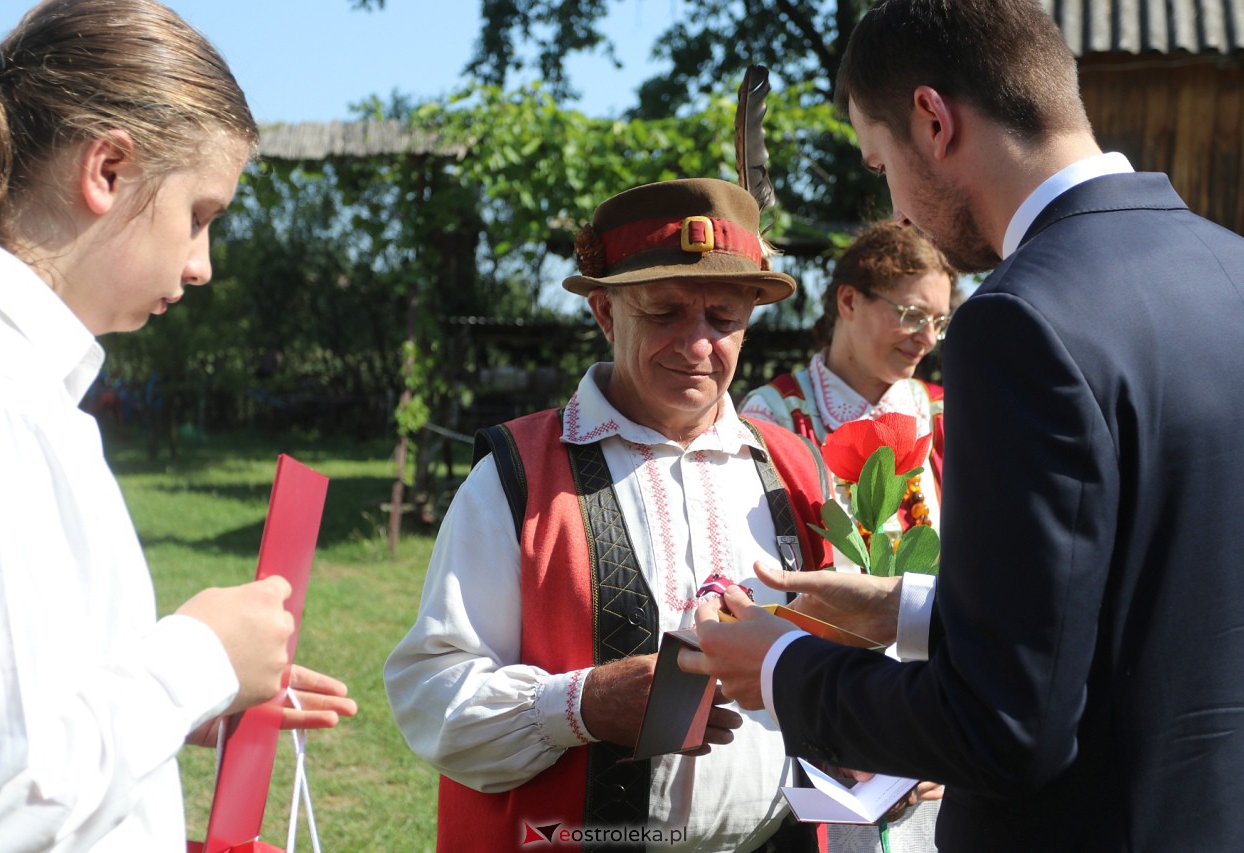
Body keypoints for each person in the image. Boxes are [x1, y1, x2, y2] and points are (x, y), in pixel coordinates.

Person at [679, 0, 1244, 850]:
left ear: (933, 120)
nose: (898, 211)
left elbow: (1005, 724)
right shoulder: (1231, 268)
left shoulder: (1024, 320)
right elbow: (1154, 602)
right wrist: (905, 610)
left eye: (881, 165)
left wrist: (777, 664)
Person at [0, 2, 357, 849]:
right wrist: (197, 661)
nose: (202, 264)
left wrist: (186, 704)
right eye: (199, 214)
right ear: (107, 168)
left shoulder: (19, 385)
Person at [385, 177, 836, 852]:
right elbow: (431, 696)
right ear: (604, 311)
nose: (696, 344)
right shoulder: (514, 476)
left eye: (723, 317)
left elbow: (851, 650)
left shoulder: (799, 471)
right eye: (664, 312)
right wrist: (581, 704)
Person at [739, 222, 957, 851]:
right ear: (849, 301)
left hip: (934, 726)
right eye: (913, 314)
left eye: (939, 322)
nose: (927, 337)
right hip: (811, 719)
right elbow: (758, 582)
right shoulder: (773, 418)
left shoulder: (947, 416)